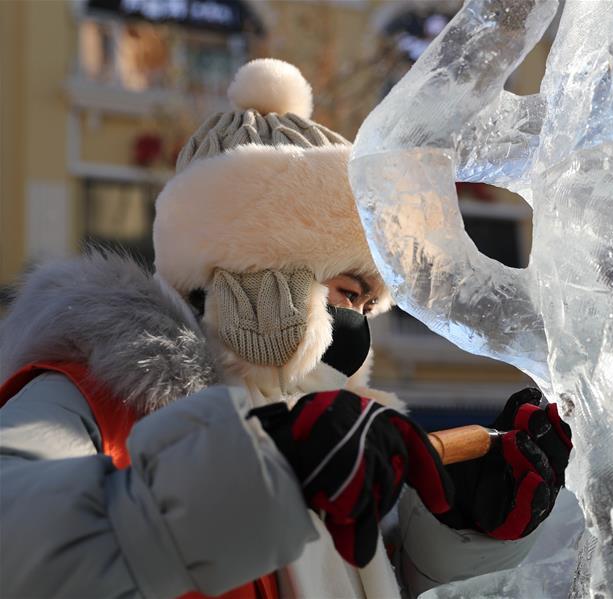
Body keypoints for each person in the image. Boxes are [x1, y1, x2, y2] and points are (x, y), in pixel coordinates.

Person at [0, 59, 571, 598]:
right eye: (350, 292)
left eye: (368, 307)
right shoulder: (85, 396)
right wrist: (248, 471)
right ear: (263, 270)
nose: (357, 328)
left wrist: (457, 527)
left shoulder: (325, 443)